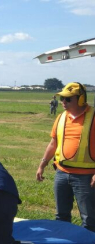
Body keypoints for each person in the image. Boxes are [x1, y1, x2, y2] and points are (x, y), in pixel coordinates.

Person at [36, 82, 95, 232]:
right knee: (61, 216)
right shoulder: (61, 117)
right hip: (62, 174)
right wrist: (42, 164)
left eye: (68, 99)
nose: (63, 102)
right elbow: (53, 143)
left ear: (81, 99)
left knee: (89, 218)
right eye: (62, 98)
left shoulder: (93, 117)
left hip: (86, 177)